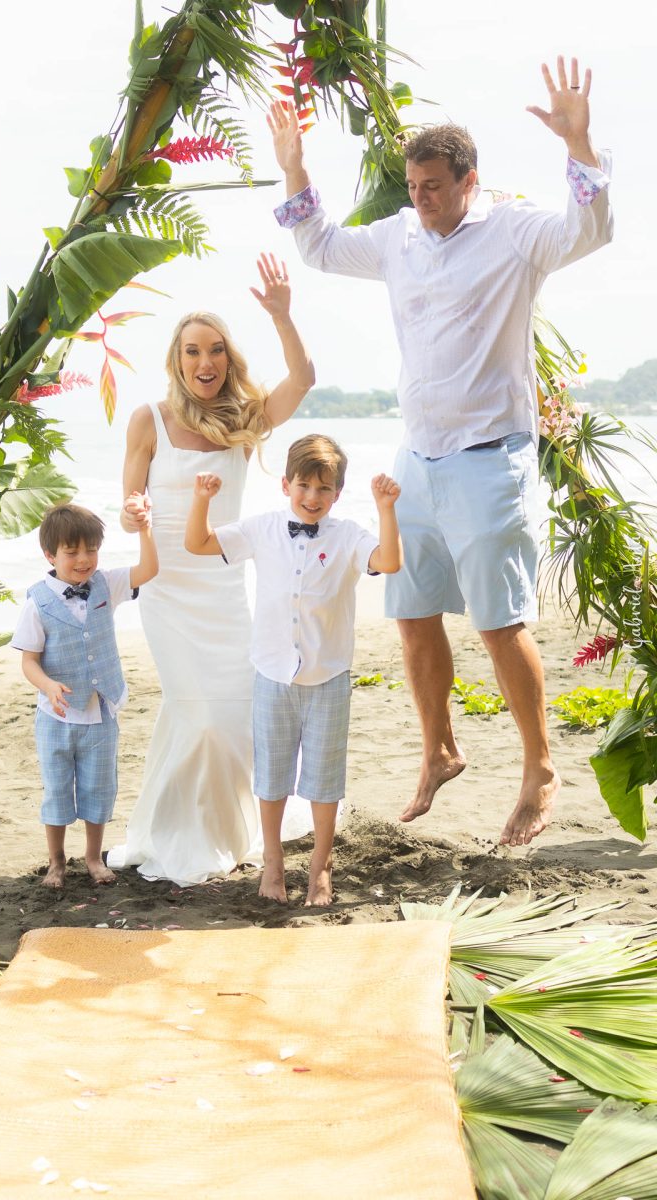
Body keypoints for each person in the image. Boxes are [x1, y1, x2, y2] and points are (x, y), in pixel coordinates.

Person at [268, 55, 612, 847]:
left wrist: (580, 145)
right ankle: (440, 749)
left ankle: (540, 767)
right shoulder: (399, 237)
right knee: (411, 612)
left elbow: (588, 230)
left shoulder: (517, 230)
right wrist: (294, 167)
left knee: (498, 621)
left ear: (467, 179)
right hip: (417, 459)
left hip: (491, 457)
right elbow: (318, 245)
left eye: (432, 188)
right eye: (412, 188)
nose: (419, 201)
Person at [105, 253, 315, 886]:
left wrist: (282, 315)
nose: (205, 362)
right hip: (167, 585)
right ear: (178, 361)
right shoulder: (150, 420)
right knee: (195, 712)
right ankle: (178, 835)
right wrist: (134, 513)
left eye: (216, 351)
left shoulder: (243, 420)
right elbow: (125, 508)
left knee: (227, 716)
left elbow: (303, 378)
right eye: (193, 351)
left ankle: (218, 828)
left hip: (224, 588)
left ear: (228, 359)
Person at [185, 434, 403, 905]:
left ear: (338, 494)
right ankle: (274, 863)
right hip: (272, 676)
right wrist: (202, 499)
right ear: (286, 484)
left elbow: (389, 560)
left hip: (328, 679)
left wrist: (386, 508)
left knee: (325, 780)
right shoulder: (262, 528)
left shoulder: (348, 535)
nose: (312, 498)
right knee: (272, 776)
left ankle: (321, 867)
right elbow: (197, 542)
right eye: (304, 486)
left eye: (325, 490)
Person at [12, 502, 158, 889]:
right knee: (57, 790)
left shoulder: (106, 584)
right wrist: (47, 685)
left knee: (99, 787)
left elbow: (149, 570)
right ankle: (57, 861)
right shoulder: (37, 602)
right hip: (57, 718)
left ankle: (93, 857)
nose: (83, 559)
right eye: (72, 551)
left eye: (91, 550)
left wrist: (144, 528)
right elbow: (29, 662)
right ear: (50, 555)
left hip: (102, 712)